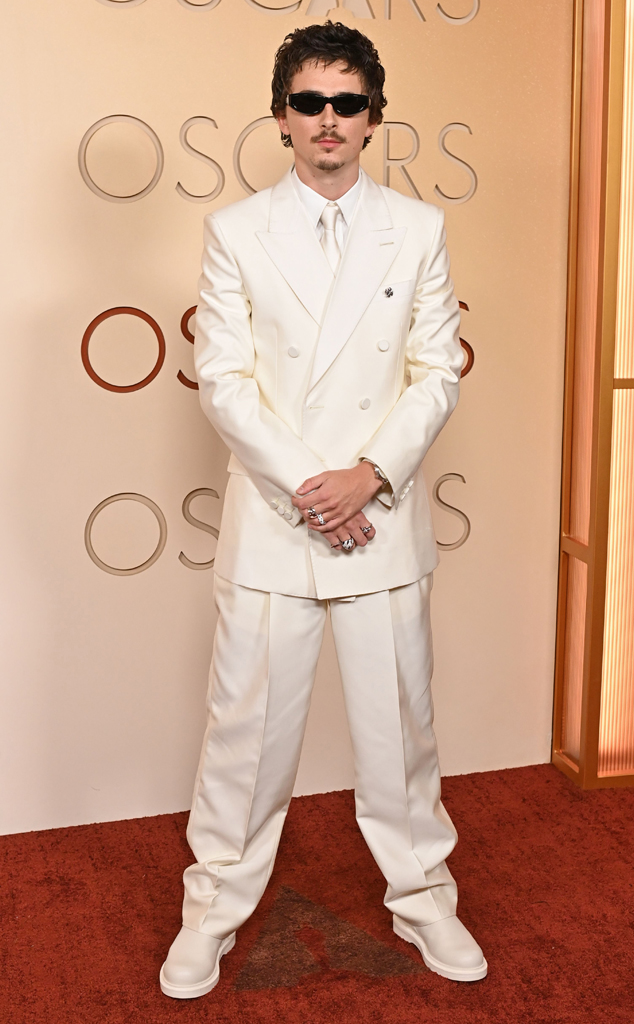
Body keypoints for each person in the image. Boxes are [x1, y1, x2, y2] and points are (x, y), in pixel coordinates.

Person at [160, 20, 486, 999]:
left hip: (379, 519)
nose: (328, 119)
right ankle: (212, 909)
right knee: (244, 739)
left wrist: (368, 476)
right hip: (277, 524)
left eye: (347, 102)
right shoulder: (236, 232)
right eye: (310, 102)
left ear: (373, 117)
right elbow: (225, 382)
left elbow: (435, 372)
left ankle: (423, 898)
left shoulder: (418, 229)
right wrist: (317, 488)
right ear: (281, 117)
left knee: (400, 736)